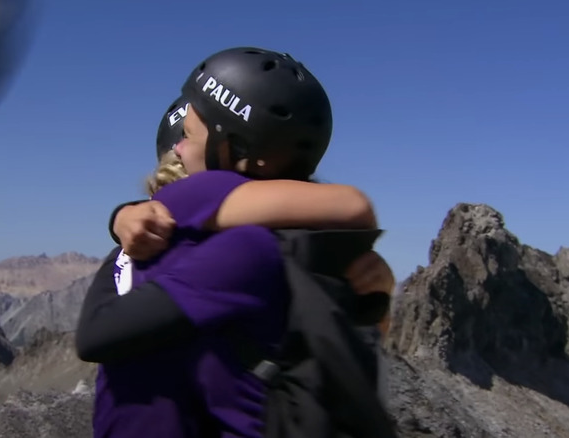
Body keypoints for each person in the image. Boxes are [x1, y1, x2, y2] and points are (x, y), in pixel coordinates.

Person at [75, 47, 391, 438]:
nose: (177, 149)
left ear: (233, 145)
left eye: (188, 136)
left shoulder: (205, 204)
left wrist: (122, 219)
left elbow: (94, 336)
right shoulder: (299, 243)